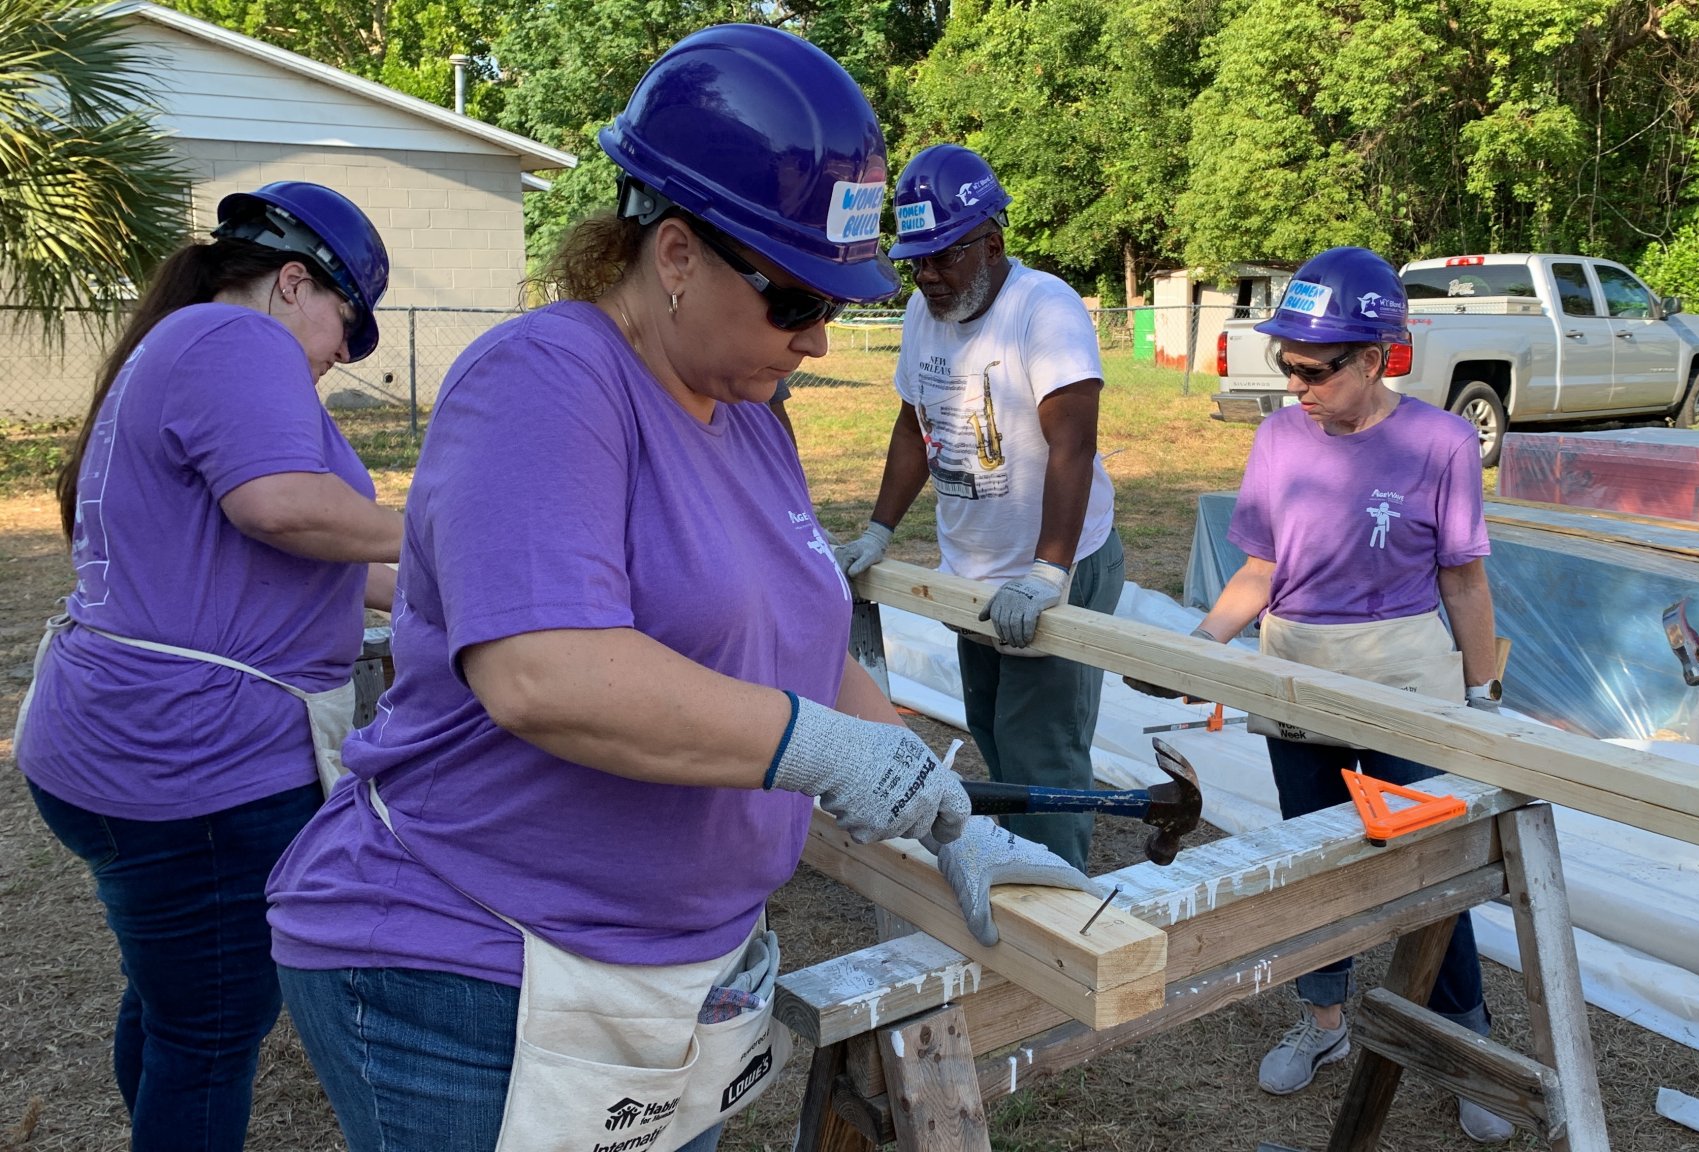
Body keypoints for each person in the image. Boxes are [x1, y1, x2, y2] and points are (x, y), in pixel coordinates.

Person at [264, 27, 1093, 1152]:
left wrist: (929, 789)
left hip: (667, 976)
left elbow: (800, 646)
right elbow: (543, 673)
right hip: (476, 966)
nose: (815, 341)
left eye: (837, 307)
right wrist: (822, 751)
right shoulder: (544, 383)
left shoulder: (747, 417)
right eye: (796, 301)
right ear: (675, 254)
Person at [13, 182, 400, 1152]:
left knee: (171, 1004)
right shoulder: (238, 342)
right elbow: (280, 509)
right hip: (195, 772)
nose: (335, 364)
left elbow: (287, 560)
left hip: (121, 749)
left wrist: (455, 585)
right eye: (345, 336)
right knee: (209, 1036)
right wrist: (462, 530)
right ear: (296, 284)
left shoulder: (183, 345)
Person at [1132, 247, 1512, 1140]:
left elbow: (1463, 579)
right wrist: (1199, 652)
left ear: (1376, 358)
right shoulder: (1278, 439)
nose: (1294, 383)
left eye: (1313, 368)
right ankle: (1324, 1022)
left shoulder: (1442, 442)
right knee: (1315, 856)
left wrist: (1481, 688)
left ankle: (1467, 1042)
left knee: (1425, 861)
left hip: (1404, 673)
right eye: (1286, 364)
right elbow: (1260, 570)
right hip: (1298, 665)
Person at [835, 143, 1122, 871]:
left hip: (1057, 560)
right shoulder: (923, 316)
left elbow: (1073, 448)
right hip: (975, 571)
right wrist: (879, 528)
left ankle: (1057, 912)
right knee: (994, 730)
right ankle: (1018, 870)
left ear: (992, 244)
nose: (927, 276)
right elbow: (913, 425)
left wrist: (1049, 575)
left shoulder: (1043, 310)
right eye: (917, 262)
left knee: (1043, 752)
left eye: (943, 258)